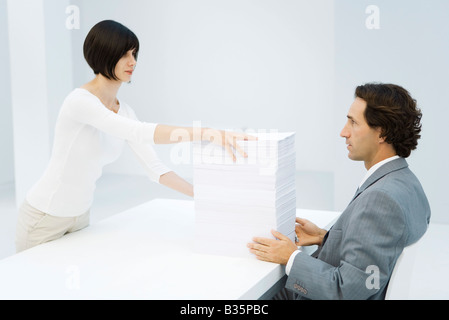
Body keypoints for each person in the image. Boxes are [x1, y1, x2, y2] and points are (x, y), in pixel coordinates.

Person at [15, 20, 254, 253]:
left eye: (134, 53)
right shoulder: (80, 102)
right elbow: (140, 132)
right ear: (104, 55)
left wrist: (202, 194)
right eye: (124, 54)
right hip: (44, 217)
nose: (133, 62)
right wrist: (207, 133)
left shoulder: (125, 111)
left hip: (80, 216)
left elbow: (155, 168)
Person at [248, 83, 431, 300]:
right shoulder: (406, 181)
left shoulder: (380, 199)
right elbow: (377, 252)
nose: (343, 132)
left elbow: (348, 291)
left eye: (353, 122)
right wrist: (324, 238)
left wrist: (291, 258)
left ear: (382, 133)